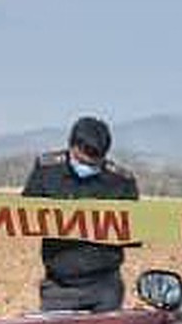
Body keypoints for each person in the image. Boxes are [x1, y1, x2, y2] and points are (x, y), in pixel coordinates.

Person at [21, 117, 139, 312]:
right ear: (72, 147)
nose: (87, 168)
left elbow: (134, 233)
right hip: (59, 288)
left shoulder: (120, 181)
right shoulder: (47, 171)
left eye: (95, 164)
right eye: (83, 162)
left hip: (105, 287)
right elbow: (24, 217)